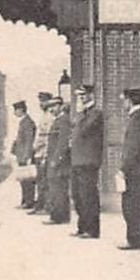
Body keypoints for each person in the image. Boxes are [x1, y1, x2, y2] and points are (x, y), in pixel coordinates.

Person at [119, 86, 140, 249]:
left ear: (129, 100)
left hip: (135, 171)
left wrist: (123, 169)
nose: (123, 103)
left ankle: (135, 240)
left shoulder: (136, 120)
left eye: (124, 100)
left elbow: (132, 148)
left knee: (132, 205)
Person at [70, 83, 105, 239]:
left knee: (88, 196)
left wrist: (81, 113)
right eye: (79, 96)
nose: (81, 99)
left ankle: (92, 229)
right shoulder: (84, 114)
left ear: (91, 96)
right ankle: (82, 227)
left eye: (83, 96)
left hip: (88, 162)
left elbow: (85, 130)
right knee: (78, 196)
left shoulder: (95, 114)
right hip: (78, 161)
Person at [44, 96, 73, 224]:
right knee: (56, 188)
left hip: (59, 162)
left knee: (58, 189)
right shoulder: (58, 120)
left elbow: (63, 142)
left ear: (60, 106)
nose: (51, 109)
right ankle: (60, 216)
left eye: (54, 106)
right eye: (50, 107)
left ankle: (58, 217)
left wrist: (56, 159)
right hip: (54, 160)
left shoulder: (63, 120)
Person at [10, 100, 37, 208]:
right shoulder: (23, 122)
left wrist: (27, 156)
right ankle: (25, 201)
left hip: (25, 156)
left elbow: (29, 141)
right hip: (21, 155)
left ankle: (28, 202)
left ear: (21, 110)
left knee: (27, 180)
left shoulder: (27, 122)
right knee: (23, 179)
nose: (14, 113)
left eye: (15, 110)